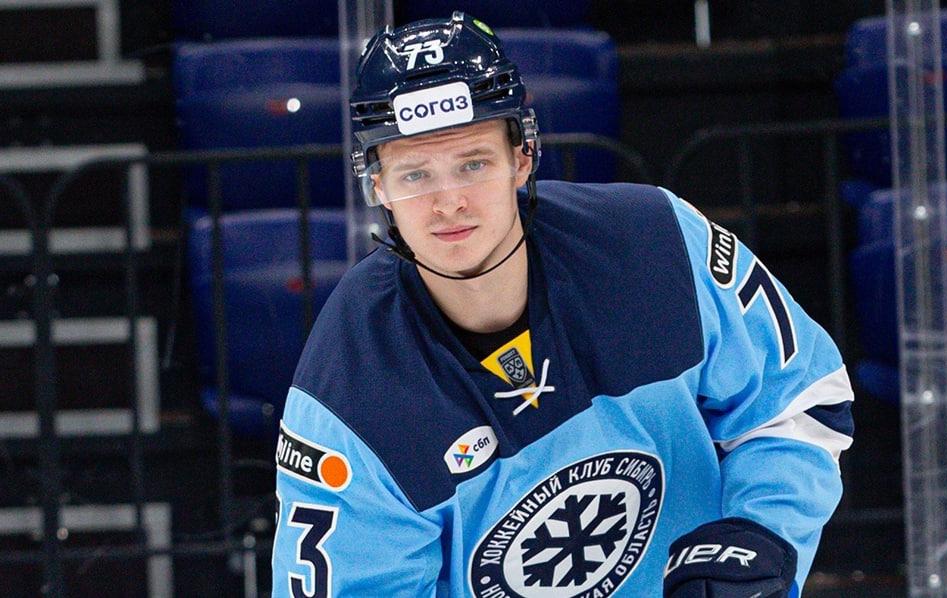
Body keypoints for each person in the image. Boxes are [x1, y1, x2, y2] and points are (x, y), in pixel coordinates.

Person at [272, 12, 854, 598]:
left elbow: (800, 400)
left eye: (473, 163)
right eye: (415, 175)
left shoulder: (655, 243)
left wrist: (761, 534)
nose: (449, 202)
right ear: (378, 186)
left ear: (523, 156)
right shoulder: (349, 381)